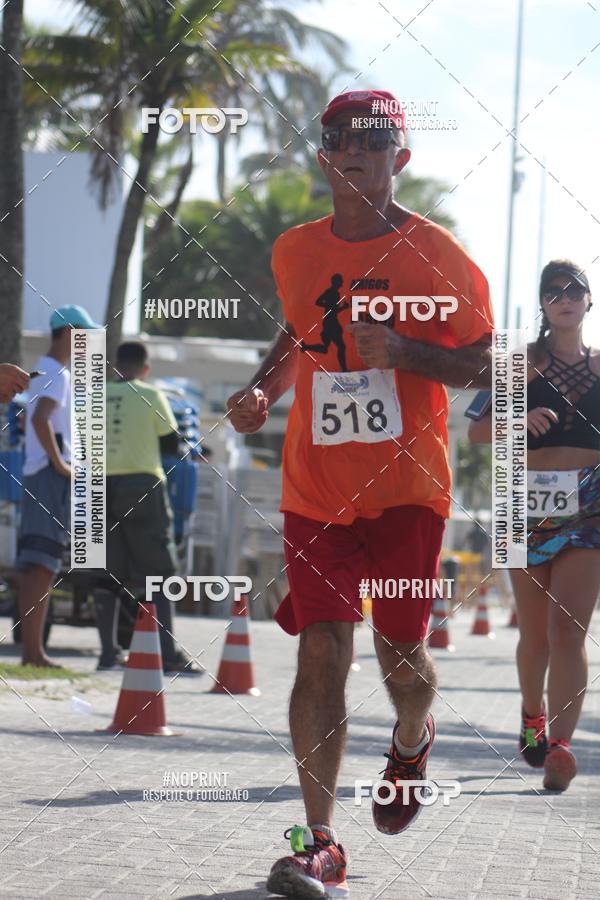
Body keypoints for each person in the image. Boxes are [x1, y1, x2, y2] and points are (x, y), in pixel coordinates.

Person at [227, 89, 494, 898]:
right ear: (324, 155)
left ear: (399, 158)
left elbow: (487, 362)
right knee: (321, 653)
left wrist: (407, 351)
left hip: (408, 490)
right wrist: (263, 390)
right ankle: (319, 843)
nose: (357, 150)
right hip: (315, 488)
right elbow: (297, 330)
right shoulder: (295, 250)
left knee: (402, 661)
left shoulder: (436, 255)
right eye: (342, 138)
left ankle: (412, 740)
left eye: (375, 140)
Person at [469, 259, 600, 792]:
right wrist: (516, 421)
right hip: (519, 504)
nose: (564, 298)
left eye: (574, 290)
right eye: (554, 291)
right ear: (544, 303)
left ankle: (561, 747)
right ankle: (532, 714)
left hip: (589, 506)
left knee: (568, 630)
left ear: (589, 301)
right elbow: (477, 433)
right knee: (535, 635)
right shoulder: (517, 362)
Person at [92, 340, 201, 674]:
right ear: (145, 368)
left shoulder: (95, 396)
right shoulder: (152, 395)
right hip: (141, 486)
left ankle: (108, 653)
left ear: (115, 365)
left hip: (98, 487)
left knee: (105, 572)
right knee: (160, 573)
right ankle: (166, 654)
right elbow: (170, 443)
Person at [16, 305, 101, 667]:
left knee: (37, 564)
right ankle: (33, 653)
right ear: (69, 333)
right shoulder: (57, 373)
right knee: (42, 564)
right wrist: (60, 463)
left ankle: (33, 651)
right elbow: (39, 420)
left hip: (40, 474)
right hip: (49, 477)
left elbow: (28, 420)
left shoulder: (44, 369)